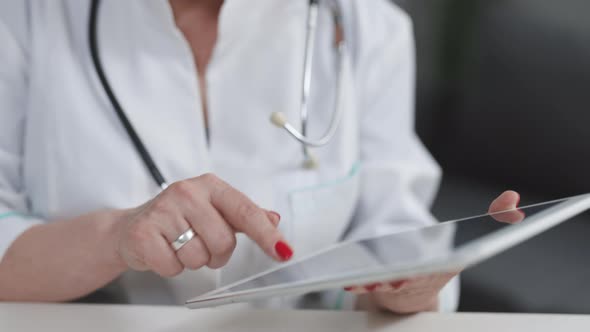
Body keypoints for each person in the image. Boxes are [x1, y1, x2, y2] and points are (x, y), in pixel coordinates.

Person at [0, 0, 520, 313]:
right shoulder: (25, 18)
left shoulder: (365, 25)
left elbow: (388, 232)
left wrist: (404, 288)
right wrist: (116, 238)